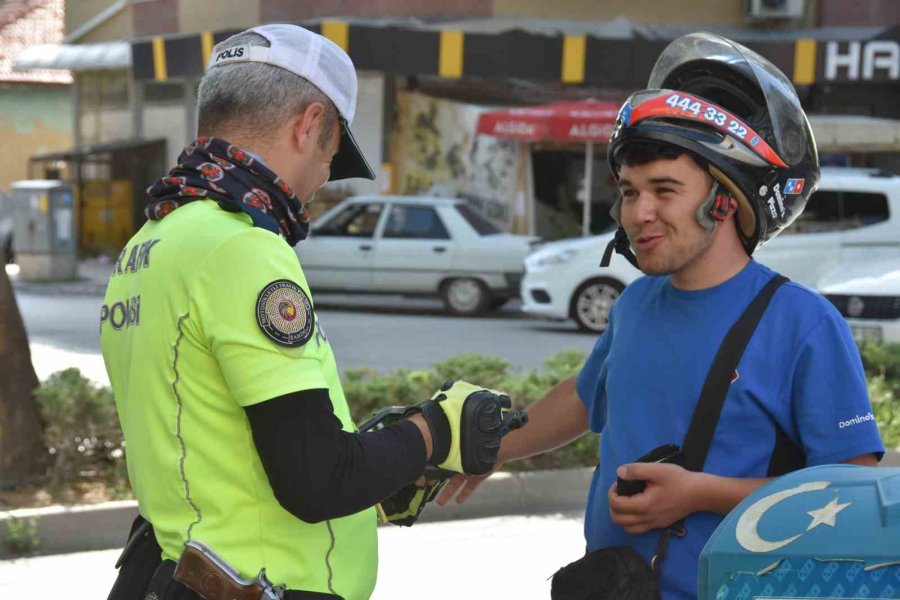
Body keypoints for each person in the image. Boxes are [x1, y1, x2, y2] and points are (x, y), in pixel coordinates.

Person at [437, 32, 885, 600]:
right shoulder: (636, 304)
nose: (638, 213)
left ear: (725, 201)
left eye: (664, 190)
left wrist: (699, 494)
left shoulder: (803, 323)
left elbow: (853, 493)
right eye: (629, 191)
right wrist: (488, 450)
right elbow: (586, 397)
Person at [101, 24, 516, 600]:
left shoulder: (150, 241)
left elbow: (214, 450)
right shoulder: (242, 246)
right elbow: (317, 480)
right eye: (331, 153)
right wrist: (437, 428)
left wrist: (386, 466)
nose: (322, 177)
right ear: (309, 124)